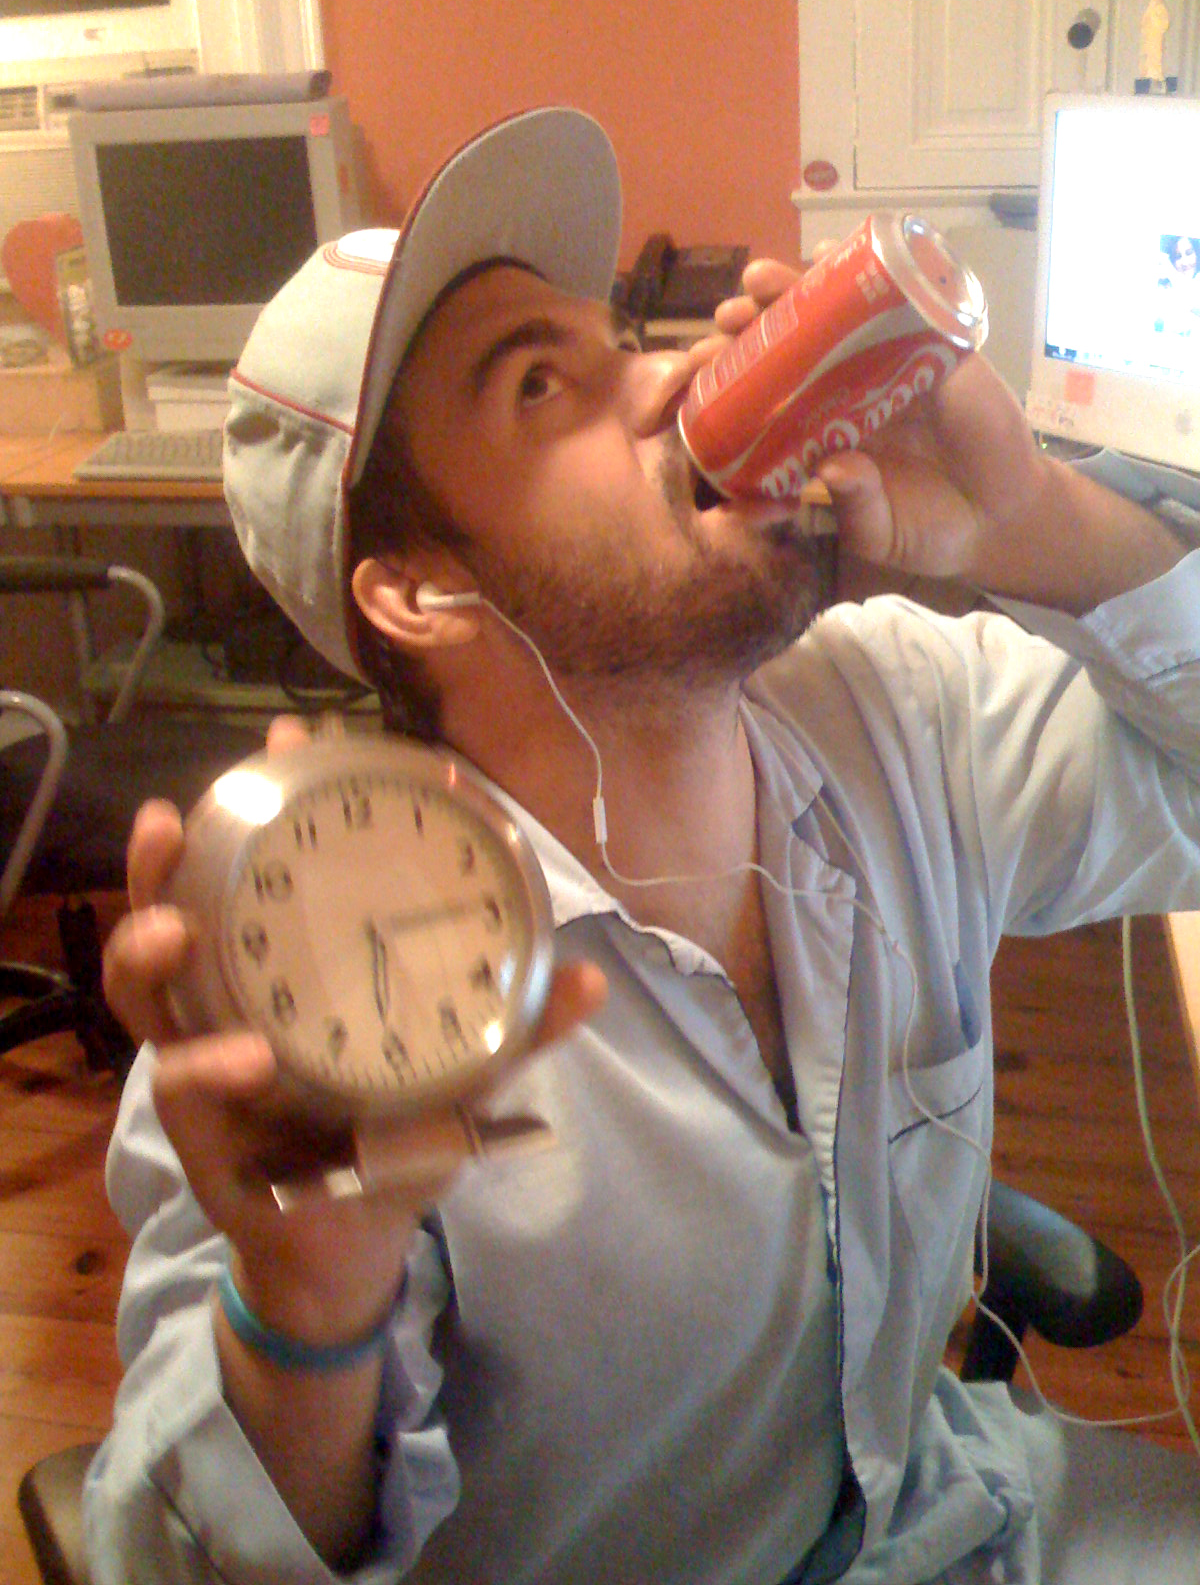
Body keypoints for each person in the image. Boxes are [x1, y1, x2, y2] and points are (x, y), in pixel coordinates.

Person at [88, 107, 1200, 1585]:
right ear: (415, 595)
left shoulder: (896, 711)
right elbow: (173, 1558)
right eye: (541, 385)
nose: (677, 373)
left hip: (954, 1510)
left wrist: (1037, 521)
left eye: (621, 337)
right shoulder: (320, 1023)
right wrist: (307, 1309)